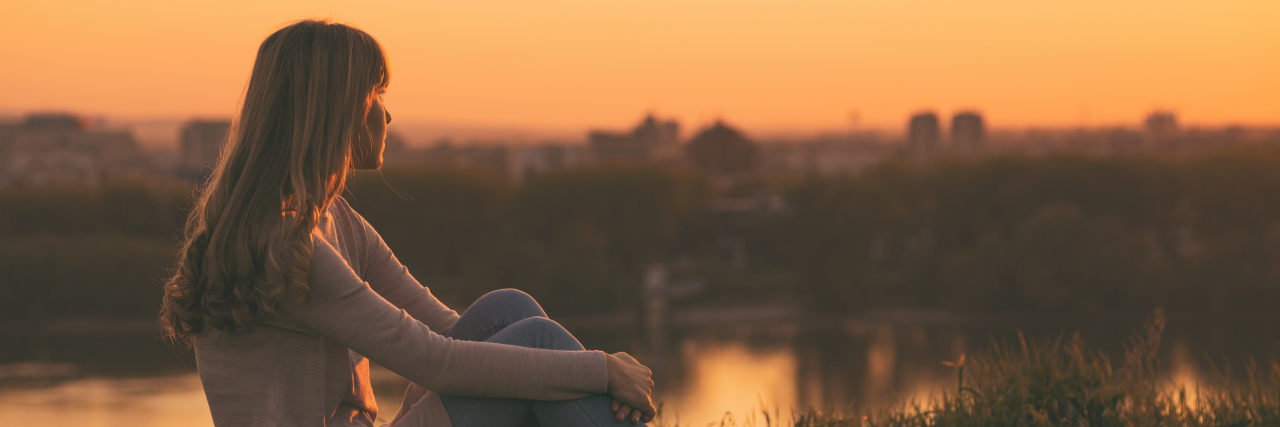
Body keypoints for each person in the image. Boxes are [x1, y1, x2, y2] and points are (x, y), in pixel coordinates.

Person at [159, 19, 656, 427]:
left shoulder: (336, 221)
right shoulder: (286, 247)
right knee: (538, 341)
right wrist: (602, 369)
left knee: (510, 310)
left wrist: (588, 373)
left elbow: (447, 333)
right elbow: (433, 360)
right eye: (376, 93)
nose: (388, 114)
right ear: (338, 110)